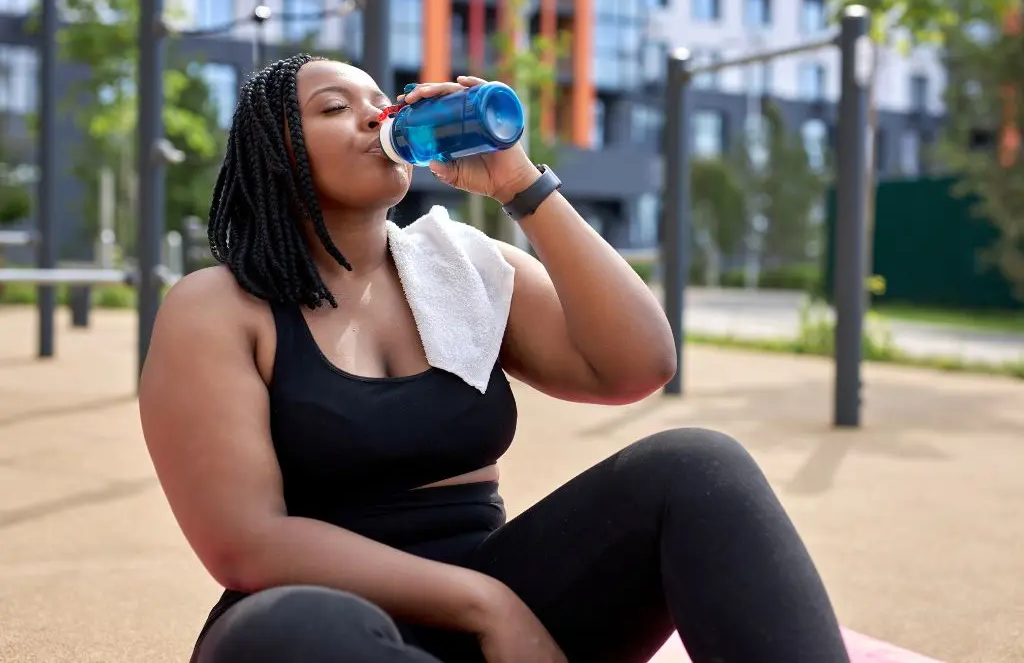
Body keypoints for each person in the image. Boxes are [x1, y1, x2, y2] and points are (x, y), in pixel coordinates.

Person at [139, 54, 850, 663]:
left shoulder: (462, 267)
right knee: (295, 627)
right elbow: (246, 543)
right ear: (280, 150)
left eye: (380, 102)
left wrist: (520, 183)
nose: (374, 115)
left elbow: (637, 364)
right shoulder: (220, 306)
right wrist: (485, 603)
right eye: (335, 107)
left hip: (505, 598)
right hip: (325, 622)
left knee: (698, 465)